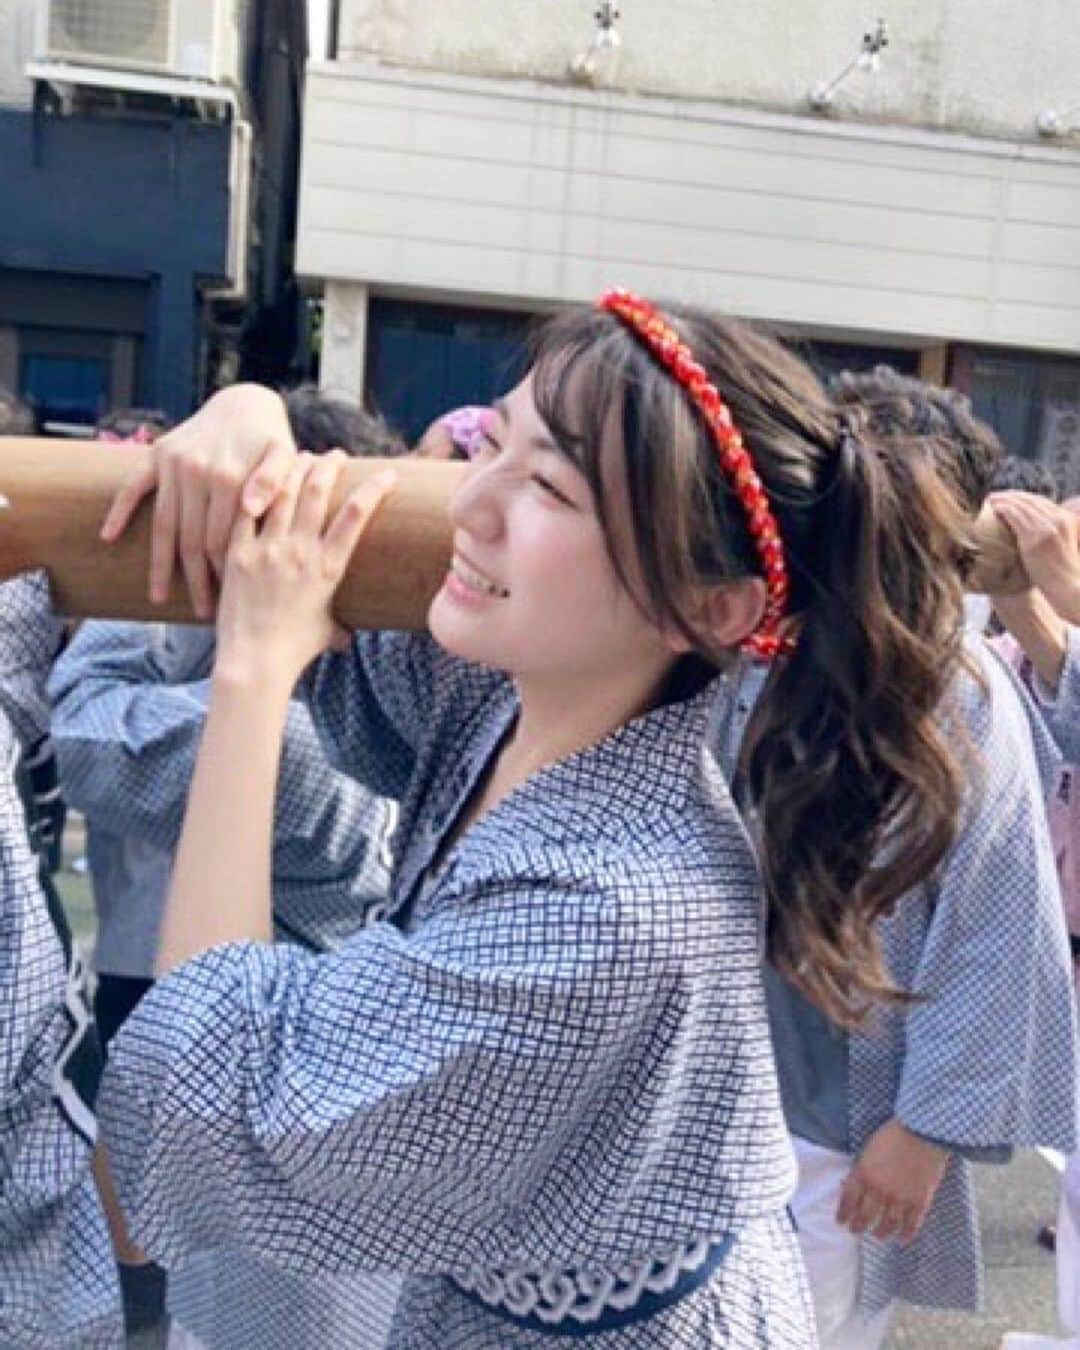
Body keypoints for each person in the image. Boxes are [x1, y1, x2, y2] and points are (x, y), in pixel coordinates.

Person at [96, 293, 991, 1345]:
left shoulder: (613, 909)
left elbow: (209, 1098)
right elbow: (353, 651)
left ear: (714, 608)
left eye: (551, 490)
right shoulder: (519, 696)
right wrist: (253, 419)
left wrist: (251, 668)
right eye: (494, 442)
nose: (472, 507)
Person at [714, 372, 1076, 1347]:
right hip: (715, 1084)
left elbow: (999, 936)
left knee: (806, 1328)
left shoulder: (963, 698)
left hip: (839, 1120)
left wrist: (924, 1132)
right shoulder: (745, 647)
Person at [49, 391, 403, 1347]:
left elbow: (87, 728)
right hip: (331, 1164)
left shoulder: (288, 739)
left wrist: (177, 551)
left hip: (271, 1191)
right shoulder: (411, 694)